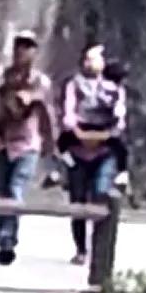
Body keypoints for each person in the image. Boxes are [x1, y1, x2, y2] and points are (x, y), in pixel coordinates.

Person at [0, 30, 58, 266]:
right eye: (20, 45)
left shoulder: (40, 82)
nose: (23, 50)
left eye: (29, 46)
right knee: (1, 191)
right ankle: (4, 243)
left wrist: (51, 144)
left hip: (27, 144)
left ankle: (8, 240)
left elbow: (45, 112)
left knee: (15, 188)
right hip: (0, 142)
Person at [58, 42, 131, 264]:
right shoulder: (73, 85)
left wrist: (103, 136)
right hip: (78, 146)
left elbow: (119, 120)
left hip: (104, 147)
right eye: (87, 58)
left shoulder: (114, 90)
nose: (90, 63)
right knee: (78, 200)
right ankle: (81, 249)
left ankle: (100, 245)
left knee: (101, 193)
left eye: (95, 58)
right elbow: (68, 116)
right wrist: (79, 134)